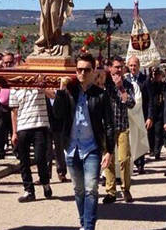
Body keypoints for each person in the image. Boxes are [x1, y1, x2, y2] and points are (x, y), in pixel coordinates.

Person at [48, 53, 114, 230]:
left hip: (91, 147)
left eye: (86, 70)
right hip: (71, 148)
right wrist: (61, 91)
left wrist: (109, 151)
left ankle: (89, 226)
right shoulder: (69, 91)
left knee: (91, 188)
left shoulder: (101, 95)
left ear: (93, 72)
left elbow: (109, 124)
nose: (82, 73)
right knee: (78, 189)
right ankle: (83, 222)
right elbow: (57, 114)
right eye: (79, 70)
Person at [9, 75, 55, 202]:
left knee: (40, 158)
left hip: (40, 126)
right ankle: (29, 190)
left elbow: (53, 95)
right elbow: (14, 112)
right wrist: (14, 132)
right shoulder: (15, 89)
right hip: (22, 127)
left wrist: (42, 86)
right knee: (24, 161)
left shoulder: (39, 85)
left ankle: (45, 183)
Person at [102, 57, 136, 204]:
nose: (118, 70)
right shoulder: (105, 84)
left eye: (121, 67)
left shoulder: (127, 85)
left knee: (124, 159)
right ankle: (110, 191)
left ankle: (125, 188)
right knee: (108, 160)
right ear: (110, 68)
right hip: (107, 128)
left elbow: (131, 103)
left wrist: (121, 88)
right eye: (116, 67)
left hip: (122, 126)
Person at [125, 56, 151, 175]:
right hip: (128, 115)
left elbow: (150, 100)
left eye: (135, 65)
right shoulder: (125, 80)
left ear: (139, 66)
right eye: (130, 65)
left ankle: (140, 164)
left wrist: (149, 116)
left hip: (142, 114)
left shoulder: (145, 80)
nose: (133, 68)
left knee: (140, 136)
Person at [0, 53, 15, 159]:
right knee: (0, 128)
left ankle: (16, 150)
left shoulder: (17, 74)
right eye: (6, 62)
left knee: (14, 129)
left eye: (10, 62)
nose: (8, 64)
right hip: (0, 105)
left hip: (14, 105)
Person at [147, 68, 166, 159]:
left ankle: (157, 151)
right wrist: (150, 73)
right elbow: (147, 84)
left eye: (159, 75)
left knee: (159, 132)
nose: (157, 76)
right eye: (155, 75)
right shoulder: (151, 85)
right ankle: (151, 149)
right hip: (152, 111)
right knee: (150, 132)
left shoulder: (163, 85)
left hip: (160, 111)